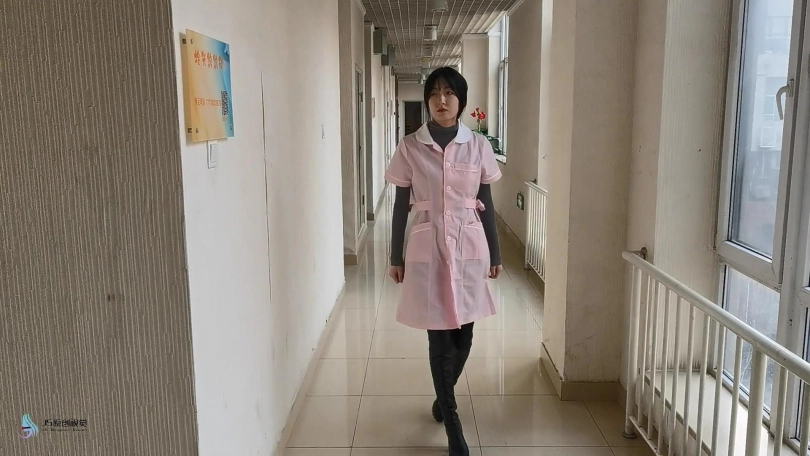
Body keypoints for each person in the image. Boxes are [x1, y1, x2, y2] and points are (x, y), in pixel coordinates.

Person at [384, 67, 503, 456]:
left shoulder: (478, 145)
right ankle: (453, 425)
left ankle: (442, 396)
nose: (441, 100)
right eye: (434, 93)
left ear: (461, 101)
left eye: (449, 93)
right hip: (428, 245)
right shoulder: (410, 146)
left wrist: (496, 253)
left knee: (463, 336)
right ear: (427, 100)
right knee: (439, 336)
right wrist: (395, 256)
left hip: (470, 246)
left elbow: (486, 202)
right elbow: (400, 205)